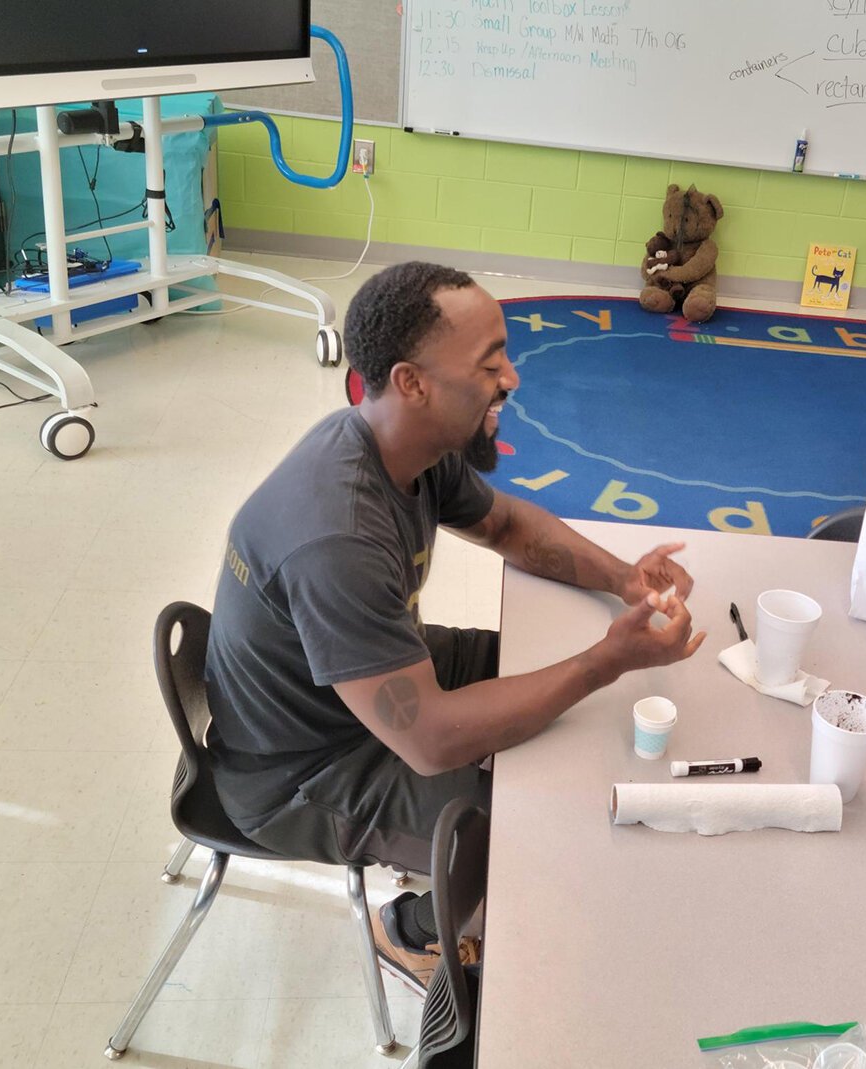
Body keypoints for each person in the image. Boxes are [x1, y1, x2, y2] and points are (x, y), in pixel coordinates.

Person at [203, 261, 707, 982]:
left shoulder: (403, 444)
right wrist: (605, 661)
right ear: (413, 382)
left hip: (356, 689)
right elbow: (432, 741)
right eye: (489, 361)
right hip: (302, 770)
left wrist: (625, 580)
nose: (512, 377)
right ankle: (408, 929)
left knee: (539, 675)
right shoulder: (337, 536)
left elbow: (505, 525)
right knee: (531, 828)